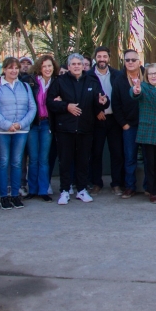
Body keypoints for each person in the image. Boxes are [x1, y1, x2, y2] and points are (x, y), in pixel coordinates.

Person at [48, 53, 109, 205]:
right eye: (73, 64)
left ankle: (81, 190)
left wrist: (103, 102)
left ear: (83, 66)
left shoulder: (92, 81)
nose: (76, 66)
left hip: (85, 128)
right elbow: (50, 103)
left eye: (79, 64)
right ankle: (64, 190)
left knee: (83, 161)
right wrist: (66, 106)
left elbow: (100, 102)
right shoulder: (59, 82)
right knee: (65, 161)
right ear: (68, 67)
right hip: (65, 129)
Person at [0, 57, 37, 210]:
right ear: (4, 69)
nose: (14, 71)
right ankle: (4, 196)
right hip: (1, 131)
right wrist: (7, 125)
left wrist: (21, 124)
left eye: (16, 68)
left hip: (21, 130)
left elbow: (32, 108)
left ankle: (15, 194)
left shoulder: (24, 86)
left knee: (17, 163)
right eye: (10, 68)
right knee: (3, 162)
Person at [131, 64, 156, 203]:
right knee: (151, 165)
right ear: (146, 76)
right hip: (149, 131)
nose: (153, 76)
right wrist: (135, 90)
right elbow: (136, 93)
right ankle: (152, 192)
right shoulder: (144, 87)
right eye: (150, 74)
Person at [89, 46, 123, 195]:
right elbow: (85, 97)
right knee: (96, 153)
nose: (102, 59)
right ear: (95, 58)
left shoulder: (117, 75)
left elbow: (121, 96)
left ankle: (116, 183)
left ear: (109, 58)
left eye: (104, 56)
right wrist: (96, 111)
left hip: (114, 119)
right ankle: (96, 183)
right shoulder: (88, 75)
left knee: (117, 152)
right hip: (97, 120)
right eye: (99, 56)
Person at [112, 49, 146, 198]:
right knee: (130, 158)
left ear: (139, 61)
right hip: (129, 126)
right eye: (127, 60)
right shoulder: (119, 80)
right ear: (124, 62)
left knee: (148, 158)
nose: (130, 62)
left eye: (133, 60)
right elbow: (116, 104)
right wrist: (123, 124)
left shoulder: (148, 75)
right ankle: (130, 187)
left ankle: (149, 188)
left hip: (147, 125)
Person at [26, 55, 57, 202]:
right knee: (33, 158)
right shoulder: (31, 81)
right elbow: (10, 76)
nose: (47, 69)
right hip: (33, 124)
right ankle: (32, 189)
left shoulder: (57, 82)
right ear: (39, 67)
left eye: (50, 66)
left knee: (44, 159)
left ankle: (44, 190)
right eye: (44, 66)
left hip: (47, 124)